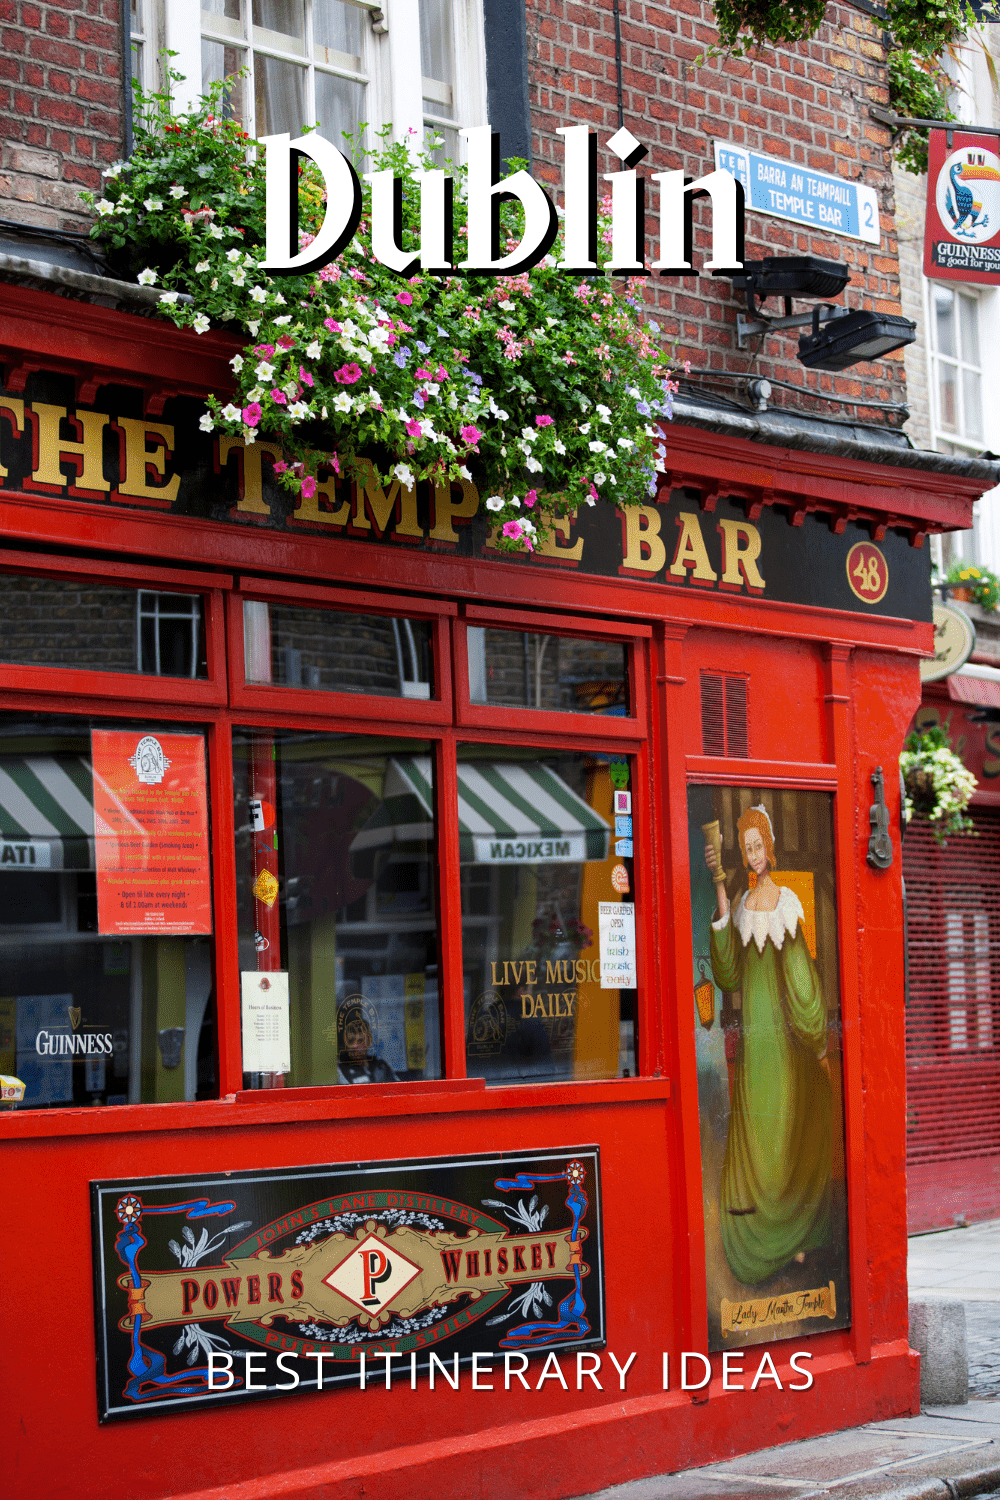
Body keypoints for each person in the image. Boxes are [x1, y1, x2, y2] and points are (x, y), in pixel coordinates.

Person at [704, 804, 832, 1286]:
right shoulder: (740, 906)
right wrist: (720, 888)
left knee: (780, 1133)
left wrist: (816, 1037)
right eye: (748, 847)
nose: (754, 854)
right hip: (758, 1045)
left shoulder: (787, 904)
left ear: (770, 847)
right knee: (761, 1132)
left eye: (759, 846)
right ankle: (771, 1239)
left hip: (779, 1039)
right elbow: (728, 974)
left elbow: (801, 984)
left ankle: (794, 1237)